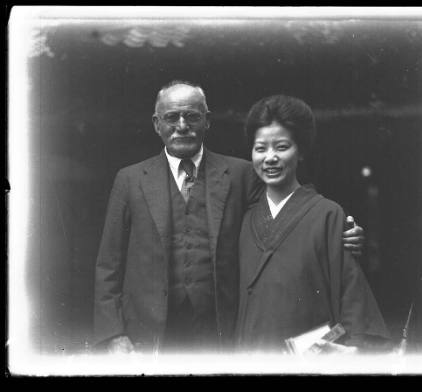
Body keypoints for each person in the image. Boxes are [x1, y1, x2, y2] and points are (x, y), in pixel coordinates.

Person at [93, 81, 366, 354]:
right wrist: (114, 334)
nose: (182, 125)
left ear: (207, 121)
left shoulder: (241, 174)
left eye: (192, 116)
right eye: (171, 117)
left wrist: (338, 227)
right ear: (156, 123)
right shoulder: (130, 180)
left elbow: (288, 208)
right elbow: (109, 265)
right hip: (148, 333)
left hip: (221, 331)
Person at [235, 95, 390, 353]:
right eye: (260, 148)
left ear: (302, 151)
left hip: (307, 358)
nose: (270, 157)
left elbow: (351, 299)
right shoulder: (242, 217)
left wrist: (350, 351)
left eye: (282, 147)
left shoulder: (328, 214)